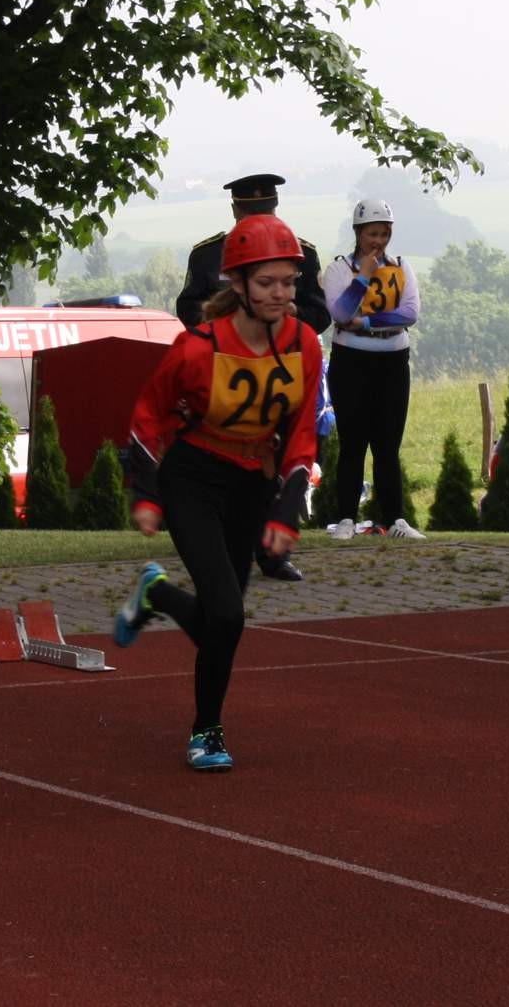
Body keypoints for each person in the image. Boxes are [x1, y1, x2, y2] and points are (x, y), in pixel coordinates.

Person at [115, 215, 323, 771]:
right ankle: (207, 731)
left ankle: (157, 595)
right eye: (267, 283)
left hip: (251, 483)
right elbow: (148, 415)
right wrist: (145, 493)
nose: (280, 294)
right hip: (193, 478)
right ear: (239, 283)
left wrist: (286, 510)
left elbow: (302, 434)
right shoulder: (197, 347)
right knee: (229, 616)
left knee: (219, 616)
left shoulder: (304, 344)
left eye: (289, 282)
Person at [175, 172, 327, 581]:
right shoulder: (209, 255)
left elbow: (320, 314)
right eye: (251, 214)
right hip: (227, 375)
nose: (260, 222)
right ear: (235, 212)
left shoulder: (301, 254)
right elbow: (188, 309)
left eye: (267, 213)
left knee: (277, 462)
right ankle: (225, 545)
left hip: (279, 375)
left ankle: (273, 553)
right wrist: (228, 322)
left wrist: (292, 314)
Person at [319, 198, 422, 540]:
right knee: (353, 442)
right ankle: (346, 519)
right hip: (351, 361)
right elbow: (340, 313)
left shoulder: (401, 267)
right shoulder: (339, 270)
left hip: (393, 359)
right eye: (372, 234)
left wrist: (365, 321)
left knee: (388, 444)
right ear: (358, 233)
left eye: (384, 234)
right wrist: (363, 276)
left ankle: (396, 520)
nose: (378, 241)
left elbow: (409, 313)